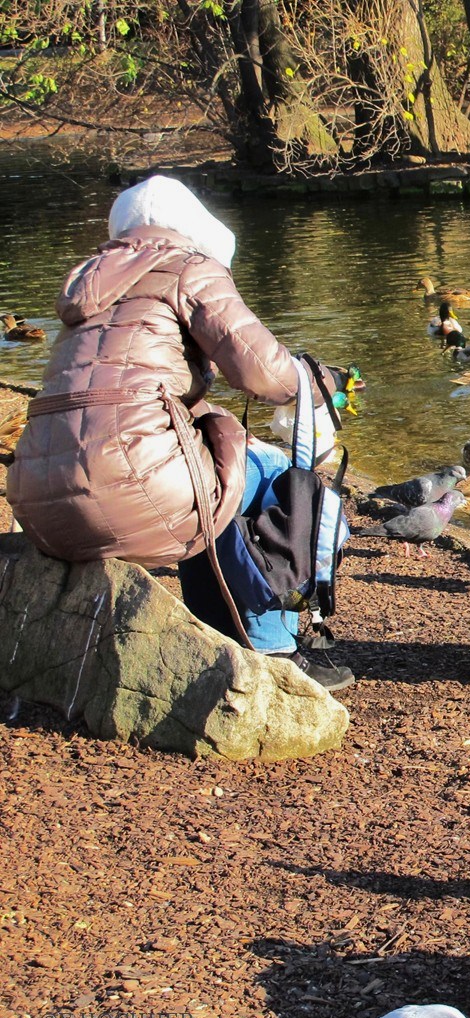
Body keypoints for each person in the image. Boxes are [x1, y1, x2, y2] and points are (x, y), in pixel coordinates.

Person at [8, 175, 353, 691]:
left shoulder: (88, 285)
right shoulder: (189, 267)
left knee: (206, 461)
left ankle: (213, 631)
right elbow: (269, 376)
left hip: (36, 499)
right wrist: (314, 377)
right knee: (273, 474)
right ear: (191, 227)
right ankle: (273, 647)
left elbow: (118, 394)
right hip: (126, 486)